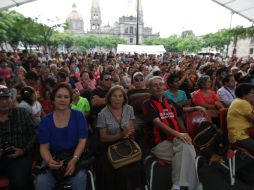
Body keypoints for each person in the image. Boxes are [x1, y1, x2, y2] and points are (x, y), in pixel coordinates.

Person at [142, 76, 199, 190]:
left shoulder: (169, 102)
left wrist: (196, 107)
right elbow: (157, 123)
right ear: (150, 89)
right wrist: (179, 134)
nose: (159, 87)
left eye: (160, 84)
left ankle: (176, 186)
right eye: (155, 85)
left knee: (185, 149)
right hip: (159, 143)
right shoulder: (148, 104)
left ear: (164, 86)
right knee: (188, 153)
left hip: (176, 141)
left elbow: (181, 110)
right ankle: (193, 186)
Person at [35, 82, 88, 190]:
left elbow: (82, 140)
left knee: (79, 180)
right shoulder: (45, 121)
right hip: (53, 157)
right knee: (41, 183)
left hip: (74, 156)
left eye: (66, 97)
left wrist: (74, 159)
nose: (62, 100)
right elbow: (44, 147)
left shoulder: (78, 116)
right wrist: (49, 161)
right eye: (59, 96)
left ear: (70, 100)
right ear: (53, 99)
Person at [96, 85, 145, 190]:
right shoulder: (102, 114)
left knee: (137, 166)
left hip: (127, 143)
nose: (117, 99)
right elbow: (103, 138)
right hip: (109, 147)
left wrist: (129, 133)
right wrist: (121, 135)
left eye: (120, 96)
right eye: (114, 96)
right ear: (109, 98)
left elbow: (131, 127)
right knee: (119, 170)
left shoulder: (129, 109)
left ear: (124, 98)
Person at [0, 85, 37, 190]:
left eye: (6, 98)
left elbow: (37, 132)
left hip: (20, 157)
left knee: (19, 183)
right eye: (0, 99)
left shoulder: (22, 113)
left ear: (12, 99)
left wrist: (24, 150)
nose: (3, 102)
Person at [227, 83, 254, 153]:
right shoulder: (242, 103)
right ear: (244, 94)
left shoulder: (242, 101)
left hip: (246, 132)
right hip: (239, 136)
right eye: (252, 93)